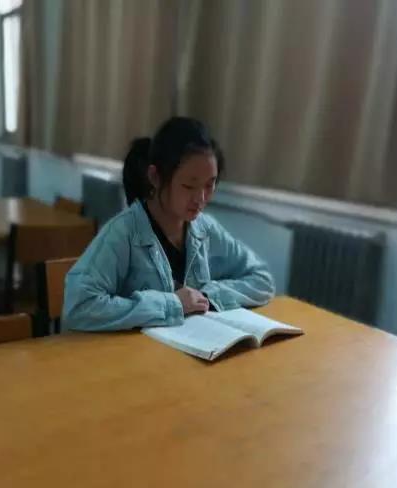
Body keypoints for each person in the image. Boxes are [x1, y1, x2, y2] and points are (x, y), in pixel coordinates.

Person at [63, 117, 275, 331]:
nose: (200, 198)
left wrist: (208, 295)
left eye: (209, 185)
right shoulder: (123, 232)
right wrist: (173, 304)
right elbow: (79, 307)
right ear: (155, 177)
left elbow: (262, 279)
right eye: (189, 186)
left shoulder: (206, 228)